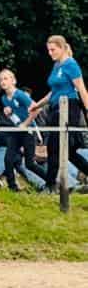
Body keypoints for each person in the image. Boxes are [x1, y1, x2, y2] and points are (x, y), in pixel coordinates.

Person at [27, 36, 88, 191]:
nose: (50, 53)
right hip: (55, 109)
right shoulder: (56, 66)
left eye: (53, 49)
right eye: (48, 50)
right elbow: (53, 92)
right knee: (68, 151)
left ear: (61, 48)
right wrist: (37, 105)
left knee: (54, 147)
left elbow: (81, 89)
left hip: (69, 108)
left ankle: (50, 186)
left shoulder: (71, 65)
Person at [0, 68, 46, 192]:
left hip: (28, 131)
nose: (3, 81)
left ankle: (51, 182)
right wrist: (9, 114)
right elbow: (16, 114)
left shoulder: (20, 95)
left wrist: (25, 124)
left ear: (13, 81)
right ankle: (13, 187)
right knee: (8, 159)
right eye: (0, 79)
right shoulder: (4, 99)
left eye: (5, 78)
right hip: (16, 131)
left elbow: (37, 109)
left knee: (30, 164)